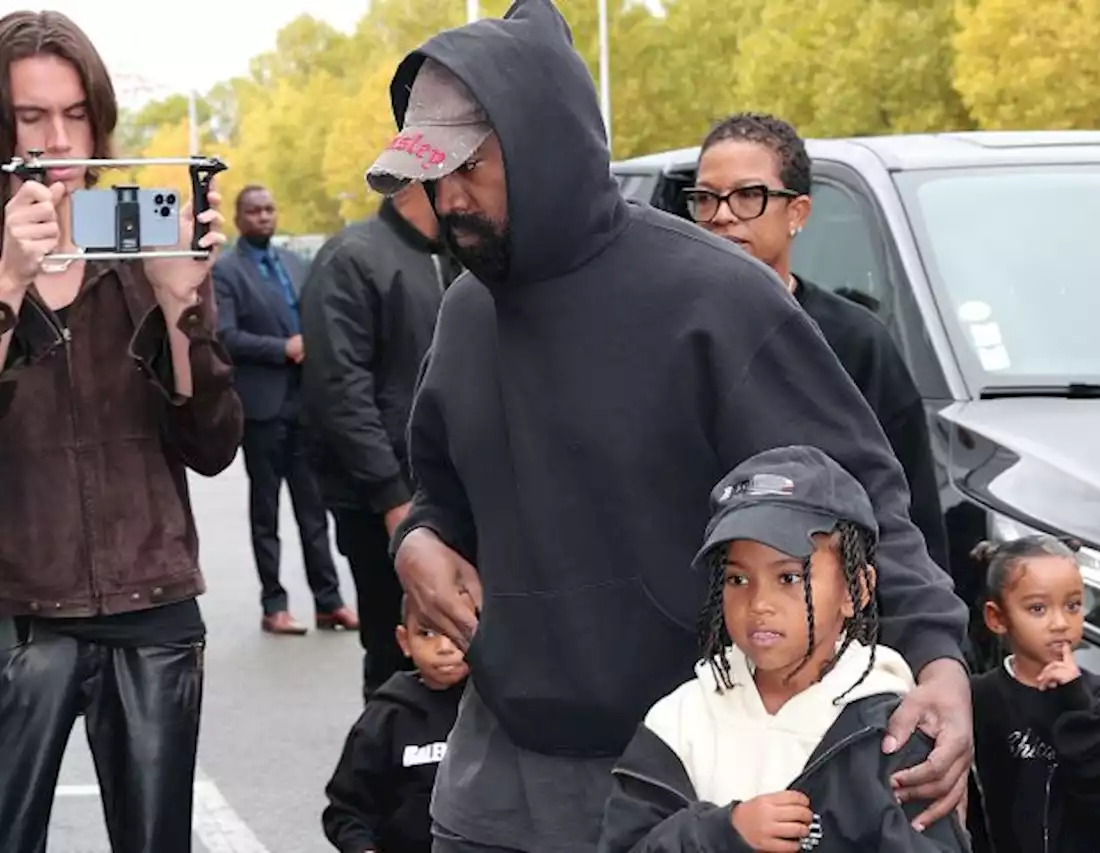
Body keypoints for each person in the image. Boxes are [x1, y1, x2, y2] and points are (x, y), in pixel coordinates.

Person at [370, 2, 971, 851]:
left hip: (687, 774)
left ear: (543, 148)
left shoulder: (717, 299)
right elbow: (442, 489)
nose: (447, 198)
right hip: (493, 775)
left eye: (470, 166)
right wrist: (418, 541)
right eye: (431, 174)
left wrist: (939, 659)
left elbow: (860, 498)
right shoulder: (466, 311)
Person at [0, 10, 242, 853]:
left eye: (74, 115)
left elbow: (212, 446)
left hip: (153, 606)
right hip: (19, 611)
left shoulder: (137, 237)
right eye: (31, 118)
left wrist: (182, 311)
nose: (56, 140)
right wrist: (7, 283)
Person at [599, 445, 967, 853]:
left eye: (789, 578)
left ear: (856, 590)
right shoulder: (681, 722)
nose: (759, 604)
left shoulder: (891, 729)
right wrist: (722, 834)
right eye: (738, 580)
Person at [690, 112, 949, 575]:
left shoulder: (854, 341)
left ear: (798, 212)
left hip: (829, 621)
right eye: (706, 198)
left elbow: (909, 511)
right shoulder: (666, 333)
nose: (723, 214)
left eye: (749, 195)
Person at [300, 180, 455, 700]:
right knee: (399, 657)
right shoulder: (352, 258)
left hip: (455, 496)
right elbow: (341, 391)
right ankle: (387, 774)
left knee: (460, 655)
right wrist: (393, 500)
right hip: (383, 504)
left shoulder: (459, 256)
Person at [965, 536, 1100, 853]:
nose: (1060, 623)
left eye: (1073, 605)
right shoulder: (978, 699)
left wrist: (1080, 707)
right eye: (1038, 608)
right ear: (997, 618)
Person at [213, 185, 357, 635]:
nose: (264, 217)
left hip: (305, 405)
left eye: (269, 209)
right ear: (239, 218)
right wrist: (283, 347)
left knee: (314, 512)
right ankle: (273, 605)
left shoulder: (295, 263)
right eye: (254, 211)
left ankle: (328, 602)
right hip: (262, 409)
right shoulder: (226, 271)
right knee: (266, 514)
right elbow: (226, 337)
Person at [322, 593, 470, 853]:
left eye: (458, 631)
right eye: (427, 633)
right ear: (405, 641)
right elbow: (347, 809)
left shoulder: (498, 711)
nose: (445, 646)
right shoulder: (386, 717)